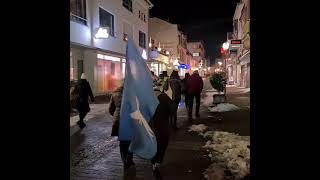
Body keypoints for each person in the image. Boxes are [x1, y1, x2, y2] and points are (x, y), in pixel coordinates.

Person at [109, 82, 135, 170]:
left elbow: (111, 109)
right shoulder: (132, 93)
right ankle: (129, 159)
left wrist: (116, 116)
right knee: (130, 140)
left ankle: (125, 160)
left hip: (119, 120)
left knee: (123, 142)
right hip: (129, 119)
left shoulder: (115, 93)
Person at [150, 86, 174, 177]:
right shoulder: (165, 97)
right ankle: (158, 162)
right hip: (162, 127)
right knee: (163, 144)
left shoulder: (147, 98)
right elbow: (172, 111)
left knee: (152, 144)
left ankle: (153, 162)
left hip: (150, 127)